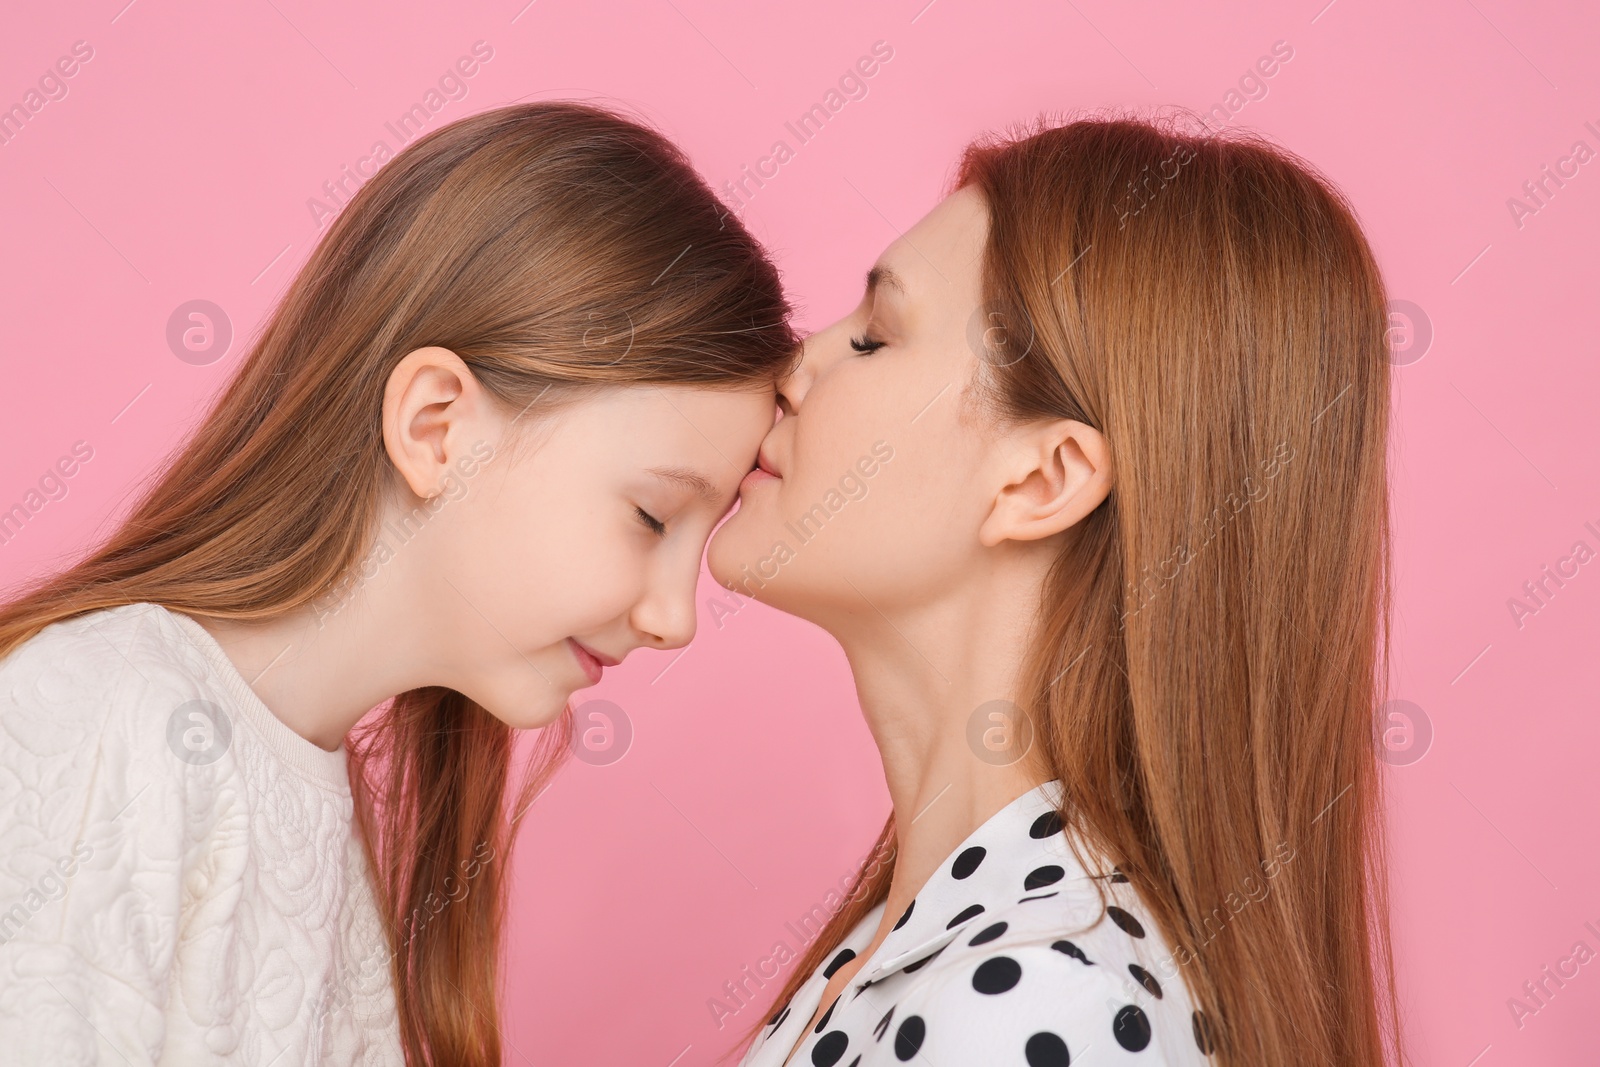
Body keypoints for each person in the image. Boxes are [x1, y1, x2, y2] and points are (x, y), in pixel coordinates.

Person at [0, 100, 797, 1066]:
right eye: (650, 517)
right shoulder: (108, 720)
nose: (675, 619)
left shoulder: (331, 828)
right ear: (436, 427)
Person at [709, 113, 1402, 1067]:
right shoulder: (933, 936)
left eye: (874, 337)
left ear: (1041, 481)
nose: (795, 367)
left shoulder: (1042, 997)